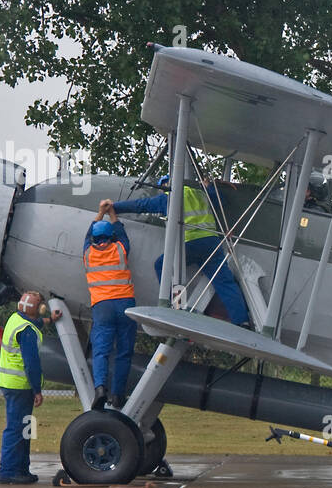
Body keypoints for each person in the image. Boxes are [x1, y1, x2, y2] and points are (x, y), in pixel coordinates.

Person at [105, 174, 250, 327]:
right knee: (224, 282)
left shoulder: (170, 198)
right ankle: (242, 321)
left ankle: (175, 308)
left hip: (190, 242)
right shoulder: (200, 193)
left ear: (167, 184)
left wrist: (114, 207)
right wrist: (209, 187)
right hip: (211, 242)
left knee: (162, 265)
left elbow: (142, 205)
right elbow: (221, 201)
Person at [0, 291, 57, 485]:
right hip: (20, 387)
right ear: (38, 308)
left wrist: (50, 320)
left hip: (11, 385)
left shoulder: (16, 319)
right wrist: (37, 390)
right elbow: (31, 364)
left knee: (25, 428)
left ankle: (22, 469)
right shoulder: (27, 331)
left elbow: (35, 322)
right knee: (17, 429)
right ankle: (8, 472)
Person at [84, 203, 136, 410]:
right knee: (123, 352)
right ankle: (118, 394)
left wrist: (99, 213)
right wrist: (111, 213)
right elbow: (121, 232)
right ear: (111, 237)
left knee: (101, 352)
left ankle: (100, 389)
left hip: (102, 305)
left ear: (94, 239)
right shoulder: (120, 249)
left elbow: (87, 234)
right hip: (125, 304)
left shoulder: (88, 254)